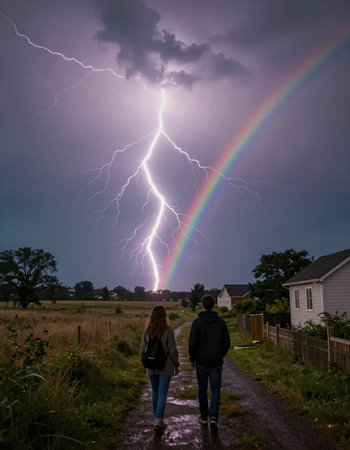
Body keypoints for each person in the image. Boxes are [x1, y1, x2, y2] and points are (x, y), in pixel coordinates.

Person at [188, 294, 231, 434]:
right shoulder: (221, 322)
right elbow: (227, 343)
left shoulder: (197, 323)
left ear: (202, 305)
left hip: (201, 363)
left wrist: (192, 359)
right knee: (216, 390)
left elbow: (192, 343)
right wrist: (221, 354)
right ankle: (213, 417)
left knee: (202, 390)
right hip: (216, 362)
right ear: (214, 305)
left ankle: (204, 417)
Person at [140, 305, 180, 433]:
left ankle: (156, 419)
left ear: (151, 316)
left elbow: (142, 350)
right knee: (162, 393)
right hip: (165, 366)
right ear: (164, 316)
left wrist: (144, 363)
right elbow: (172, 350)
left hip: (151, 367)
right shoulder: (168, 330)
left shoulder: (147, 330)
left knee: (155, 392)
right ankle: (158, 420)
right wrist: (176, 365)